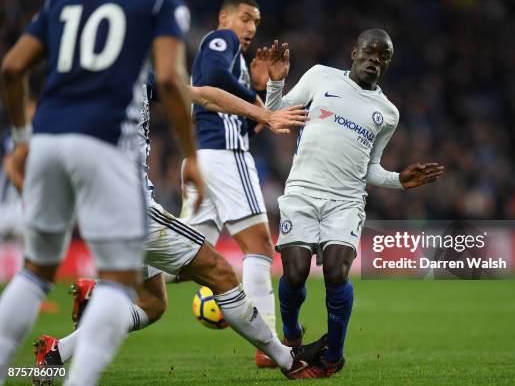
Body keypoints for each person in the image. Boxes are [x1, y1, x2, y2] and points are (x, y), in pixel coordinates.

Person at [32, 71, 323, 381]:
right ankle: (288, 361)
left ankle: (55, 352)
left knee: (152, 303)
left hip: (121, 208)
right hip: (127, 207)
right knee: (219, 271)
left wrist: (263, 113)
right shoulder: (101, 80)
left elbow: (203, 96)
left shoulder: (140, 75)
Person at [0, 0, 204, 385]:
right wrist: (192, 154)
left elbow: (11, 67)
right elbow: (167, 78)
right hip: (104, 142)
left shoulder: (62, 0)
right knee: (116, 282)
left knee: (34, 274)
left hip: (48, 140)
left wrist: (23, 140)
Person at [263, 29, 445, 377]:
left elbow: (370, 168)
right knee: (296, 273)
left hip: (345, 201)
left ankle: (333, 355)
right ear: (354, 52)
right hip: (301, 191)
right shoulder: (319, 76)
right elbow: (277, 114)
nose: (375, 60)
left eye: (384, 56)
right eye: (370, 52)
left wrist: (398, 181)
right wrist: (275, 84)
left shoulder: (387, 113)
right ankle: (290, 335)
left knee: (335, 272)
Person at [180, 0, 282, 368]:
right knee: (259, 247)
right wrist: (254, 97)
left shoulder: (237, 62)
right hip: (225, 157)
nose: (251, 27)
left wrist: (257, 91)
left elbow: (250, 126)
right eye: (245, 18)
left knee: (185, 257)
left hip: (209, 157)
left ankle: (100, 290)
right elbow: (213, 78)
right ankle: (268, 345)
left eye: (255, 21)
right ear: (225, 17)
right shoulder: (218, 41)